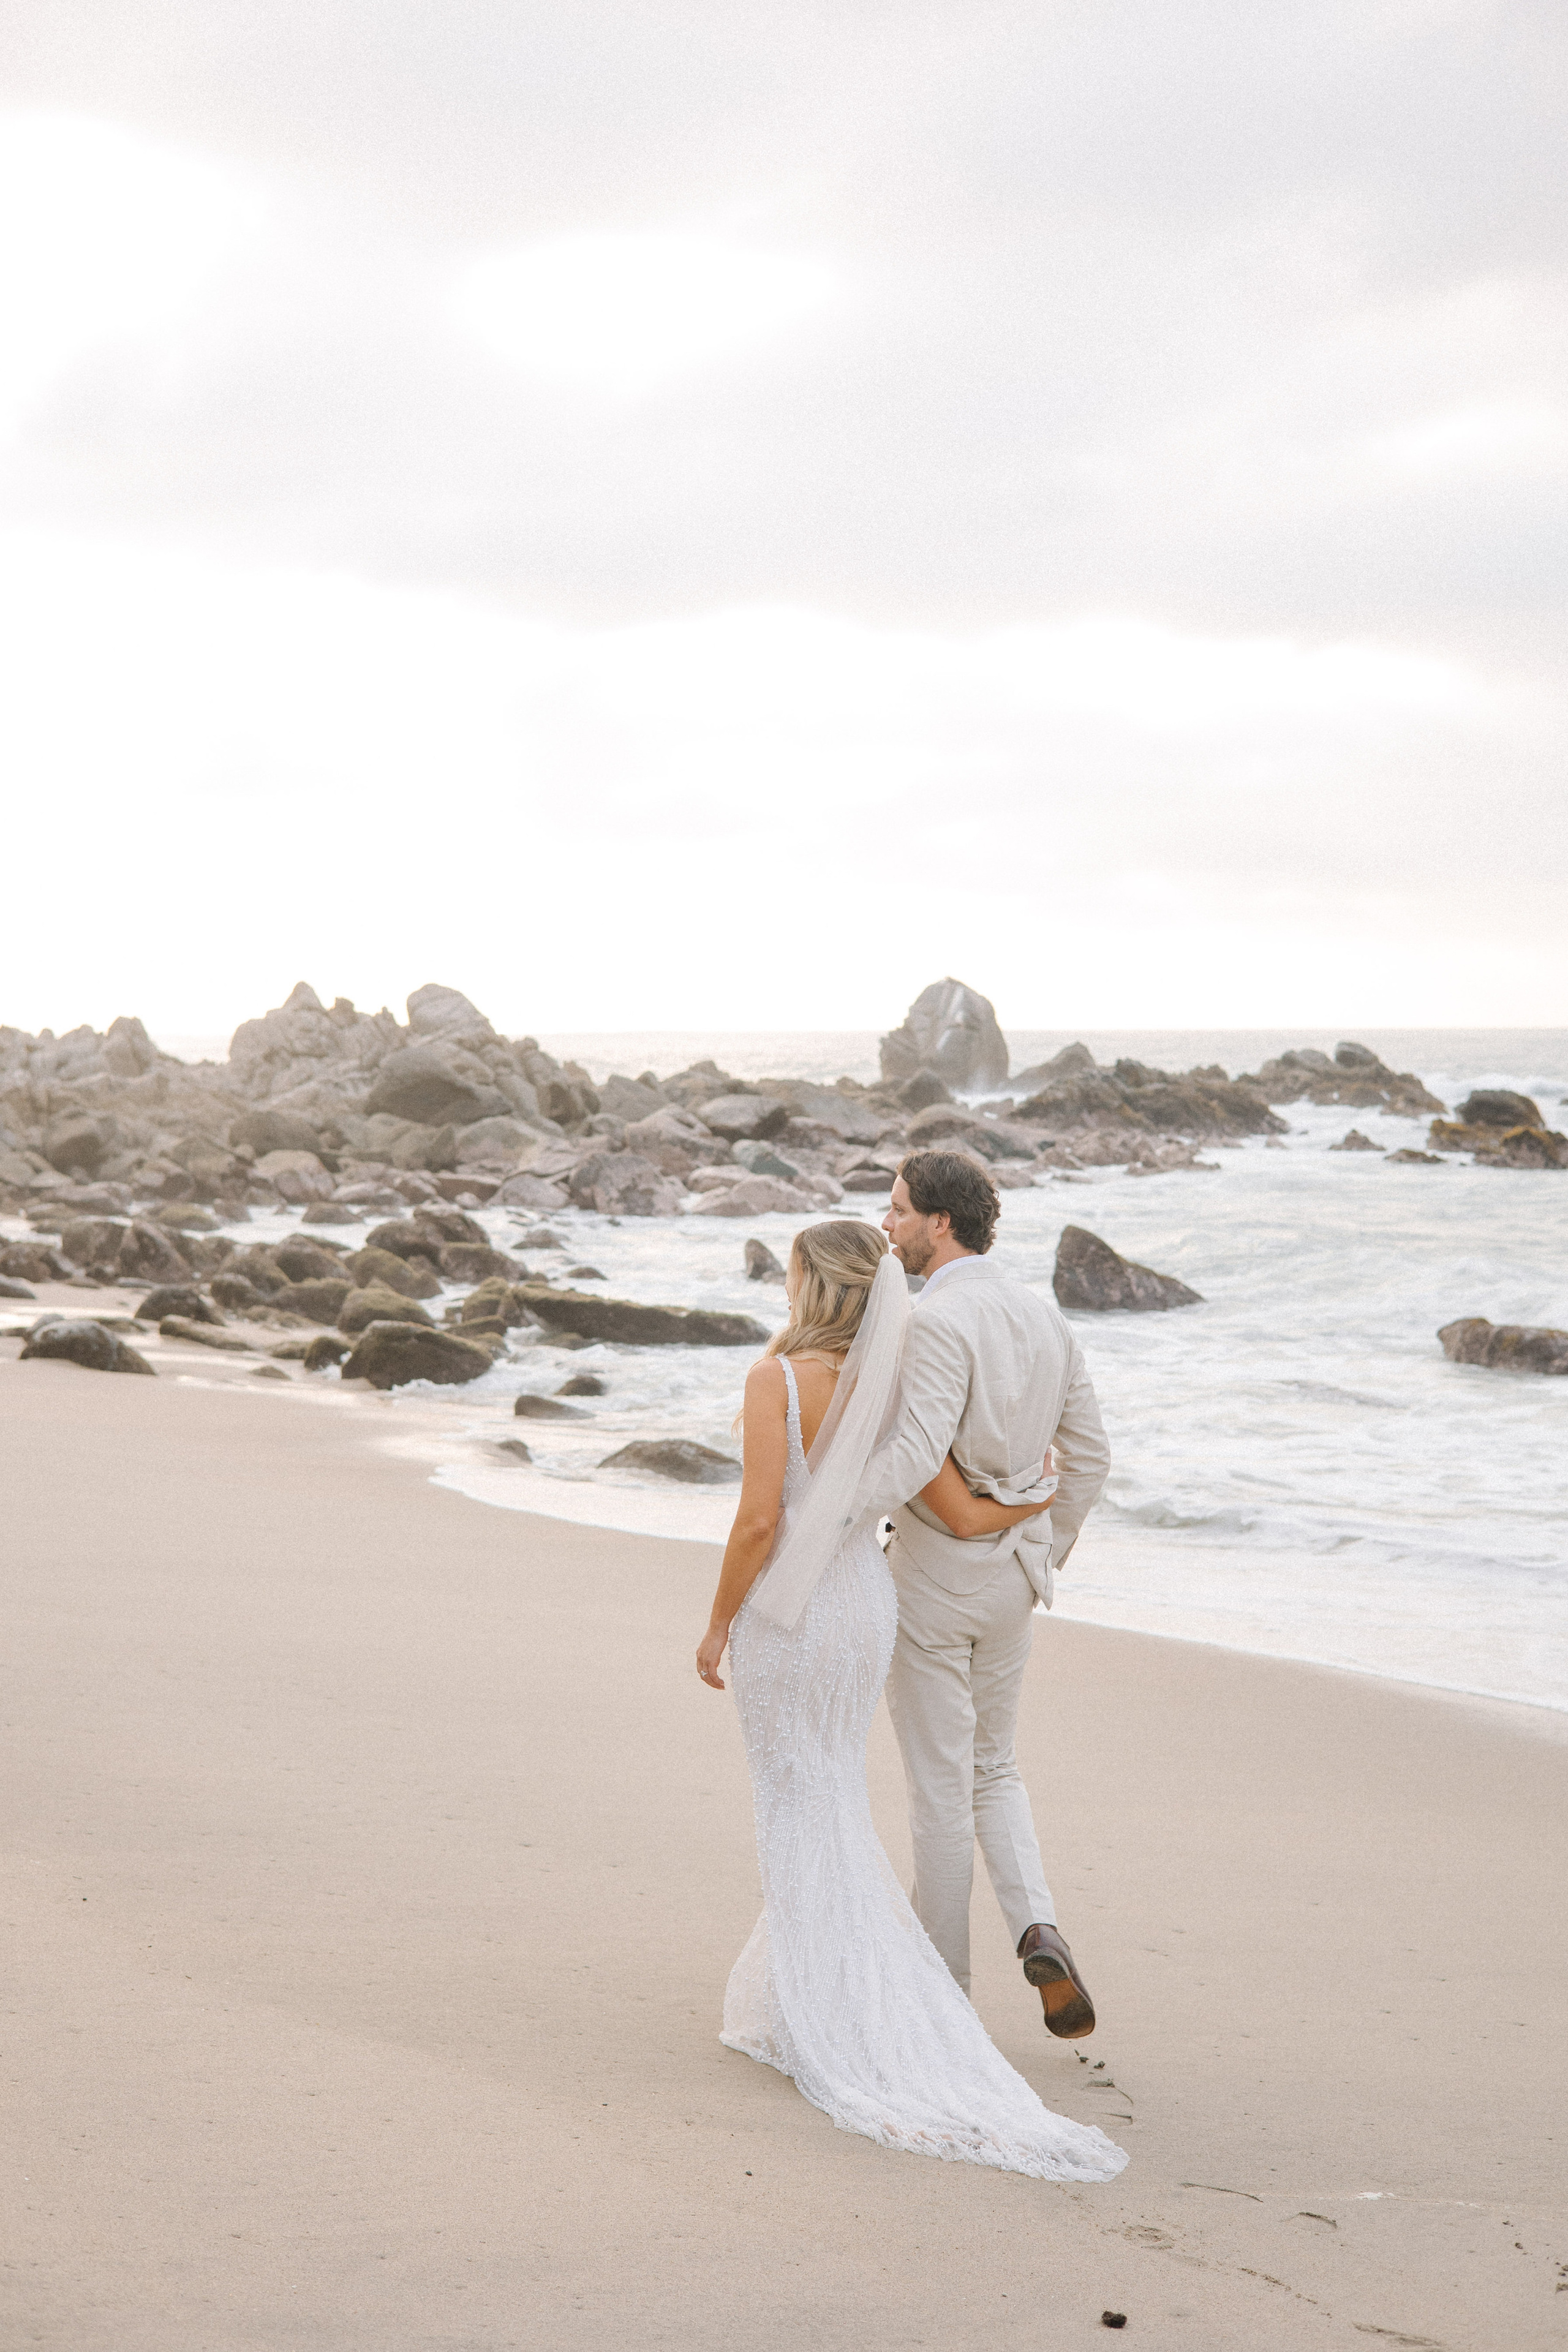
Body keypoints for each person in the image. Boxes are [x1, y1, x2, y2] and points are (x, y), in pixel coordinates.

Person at [695, 1218, 1124, 2182]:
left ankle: (844, 2003)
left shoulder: (775, 1380)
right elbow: (960, 1511)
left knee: (795, 1797)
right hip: (866, 1607)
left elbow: (759, 1521)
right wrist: (1036, 1511)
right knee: (834, 1792)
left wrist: (718, 1623)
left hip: (795, 1610)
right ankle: (818, 1987)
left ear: (808, 1284)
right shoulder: (892, 1384)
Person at [863, 1150, 1112, 2035]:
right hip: (1014, 1583)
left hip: (934, 1580)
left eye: (898, 1210)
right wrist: (1042, 1550)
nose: (886, 1225)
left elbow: (913, 1453)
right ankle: (1037, 1926)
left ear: (941, 1222)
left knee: (940, 1790)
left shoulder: (934, 1321)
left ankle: (943, 2004)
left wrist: (830, 1515)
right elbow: (1092, 1458)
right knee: (995, 1768)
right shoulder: (1044, 1317)